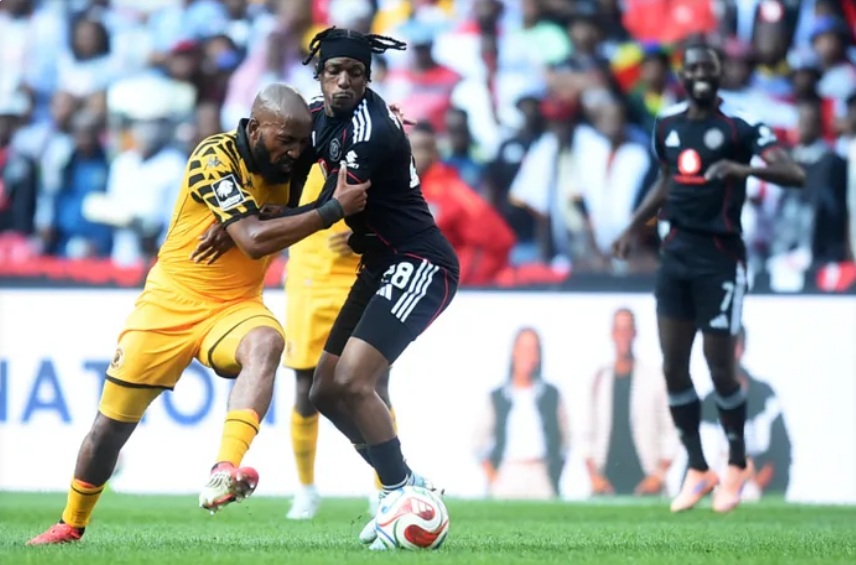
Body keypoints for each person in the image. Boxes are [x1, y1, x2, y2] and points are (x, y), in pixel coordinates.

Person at [26, 84, 369, 546]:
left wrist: (384, 115)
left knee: (267, 342)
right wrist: (323, 212)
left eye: (299, 142)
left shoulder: (296, 154)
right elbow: (252, 239)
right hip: (169, 304)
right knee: (107, 431)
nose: (293, 151)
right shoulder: (215, 157)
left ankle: (224, 468)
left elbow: (340, 114)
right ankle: (71, 522)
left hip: (235, 306)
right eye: (283, 140)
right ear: (253, 128)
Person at [612, 42, 805, 514]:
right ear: (683, 73)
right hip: (674, 256)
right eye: (693, 66)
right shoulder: (669, 126)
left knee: (720, 367)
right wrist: (633, 225)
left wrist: (744, 168)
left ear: (719, 75)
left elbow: (792, 172)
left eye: (709, 67)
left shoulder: (740, 126)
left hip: (719, 258)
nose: (701, 73)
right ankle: (699, 467)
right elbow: (666, 179)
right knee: (673, 366)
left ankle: (736, 462)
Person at [300, 27, 460, 550]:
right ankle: (407, 485)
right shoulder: (319, 116)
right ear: (319, 76)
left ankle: (398, 493)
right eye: (334, 73)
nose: (343, 82)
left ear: (369, 78)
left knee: (353, 381)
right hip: (379, 263)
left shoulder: (369, 128)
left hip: (419, 261)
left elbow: (333, 206)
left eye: (355, 73)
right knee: (323, 391)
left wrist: (257, 225)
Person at [282, 163, 394, 520]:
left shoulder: (372, 145)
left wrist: (370, 234)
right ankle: (305, 490)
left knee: (374, 385)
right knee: (306, 390)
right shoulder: (297, 153)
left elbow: (403, 207)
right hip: (309, 283)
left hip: (363, 278)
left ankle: (385, 488)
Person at [584, 308, 677, 497]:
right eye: (619, 329)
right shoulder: (598, 379)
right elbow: (586, 434)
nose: (623, 335)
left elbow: (671, 431)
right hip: (606, 482)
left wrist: (658, 477)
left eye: (628, 329)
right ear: (612, 334)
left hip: (646, 480)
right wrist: (594, 477)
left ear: (635, 333)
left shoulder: (654, 378)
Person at [474, 327, 569, 500]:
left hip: (540, 474)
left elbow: (565, 441)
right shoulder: (497, 396)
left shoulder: (552, 395)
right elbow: (479, 443)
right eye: (524, 348)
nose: (529, 355)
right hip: (508, 473)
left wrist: (554, 473)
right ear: (514, 352)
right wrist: (494, 478)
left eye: (534, 350)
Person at [700, 326, 792, 497]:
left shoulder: (765, 397)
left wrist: (755, 486)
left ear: (742, 348)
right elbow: (705, 460)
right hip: (720, 486)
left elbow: (780, 452)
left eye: (732, 345)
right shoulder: (708, 403)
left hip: (759, 487)